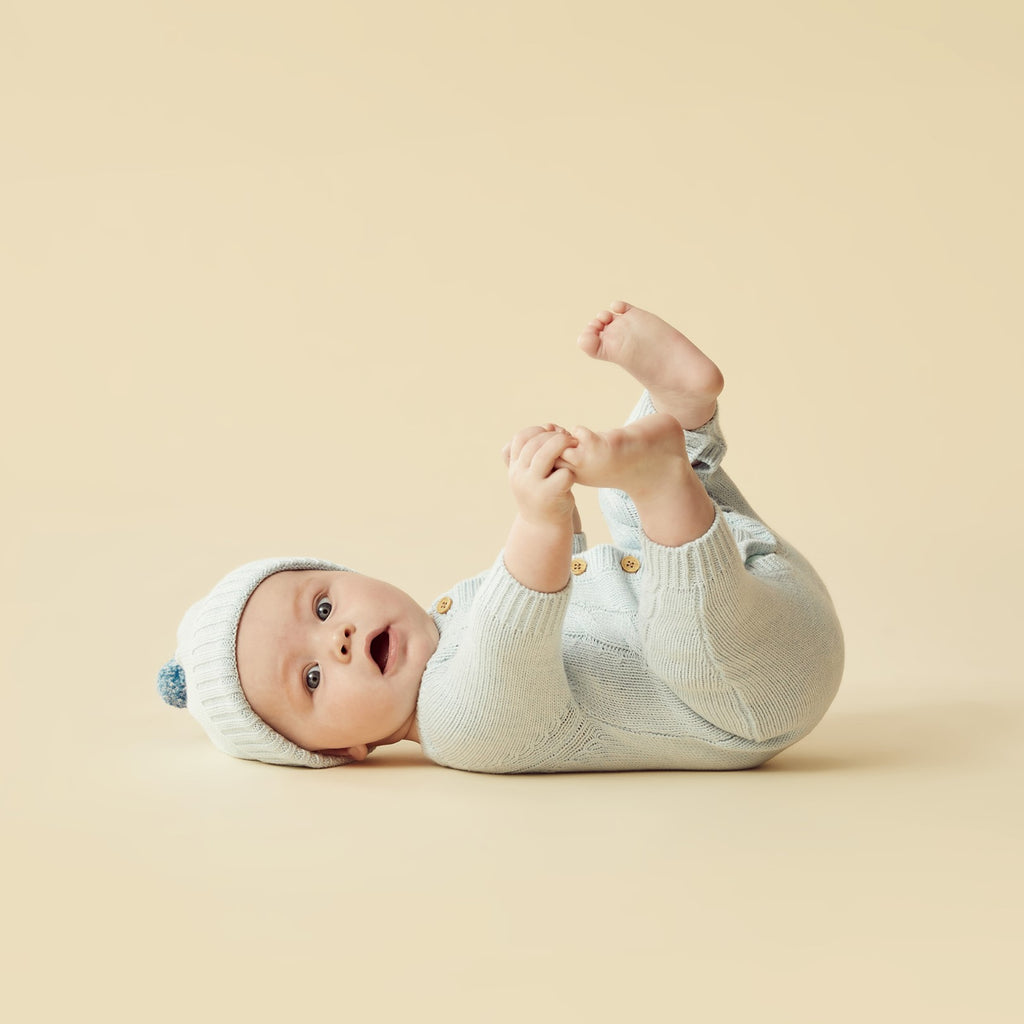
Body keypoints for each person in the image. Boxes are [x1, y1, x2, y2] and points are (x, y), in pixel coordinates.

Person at [157, 301, 844, 773]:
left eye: (324, 606)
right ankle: (665, 471)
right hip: (747, 695)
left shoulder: (453, 612)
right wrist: (537, 521)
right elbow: (514, 650)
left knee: (624, 501)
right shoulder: (462, 728)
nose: (334, 641)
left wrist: (557, 496)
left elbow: (563, 588)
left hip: (747, 588)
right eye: (311, 679)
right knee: (651, 521)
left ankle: (679, 409)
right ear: (342, 752)